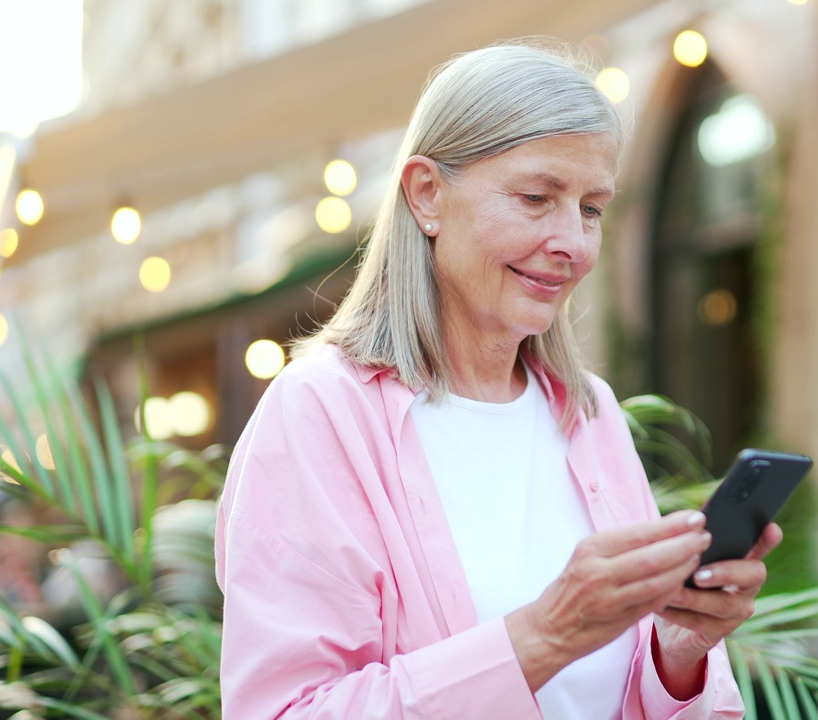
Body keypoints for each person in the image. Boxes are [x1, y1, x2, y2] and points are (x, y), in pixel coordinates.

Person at [215, 40, 782, 719]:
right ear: (427, 194)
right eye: (537, 198)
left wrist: (677, 652)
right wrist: (544, 635)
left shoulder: (588, 413)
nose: (573, 242)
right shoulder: (320, 413)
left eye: (592, 208)